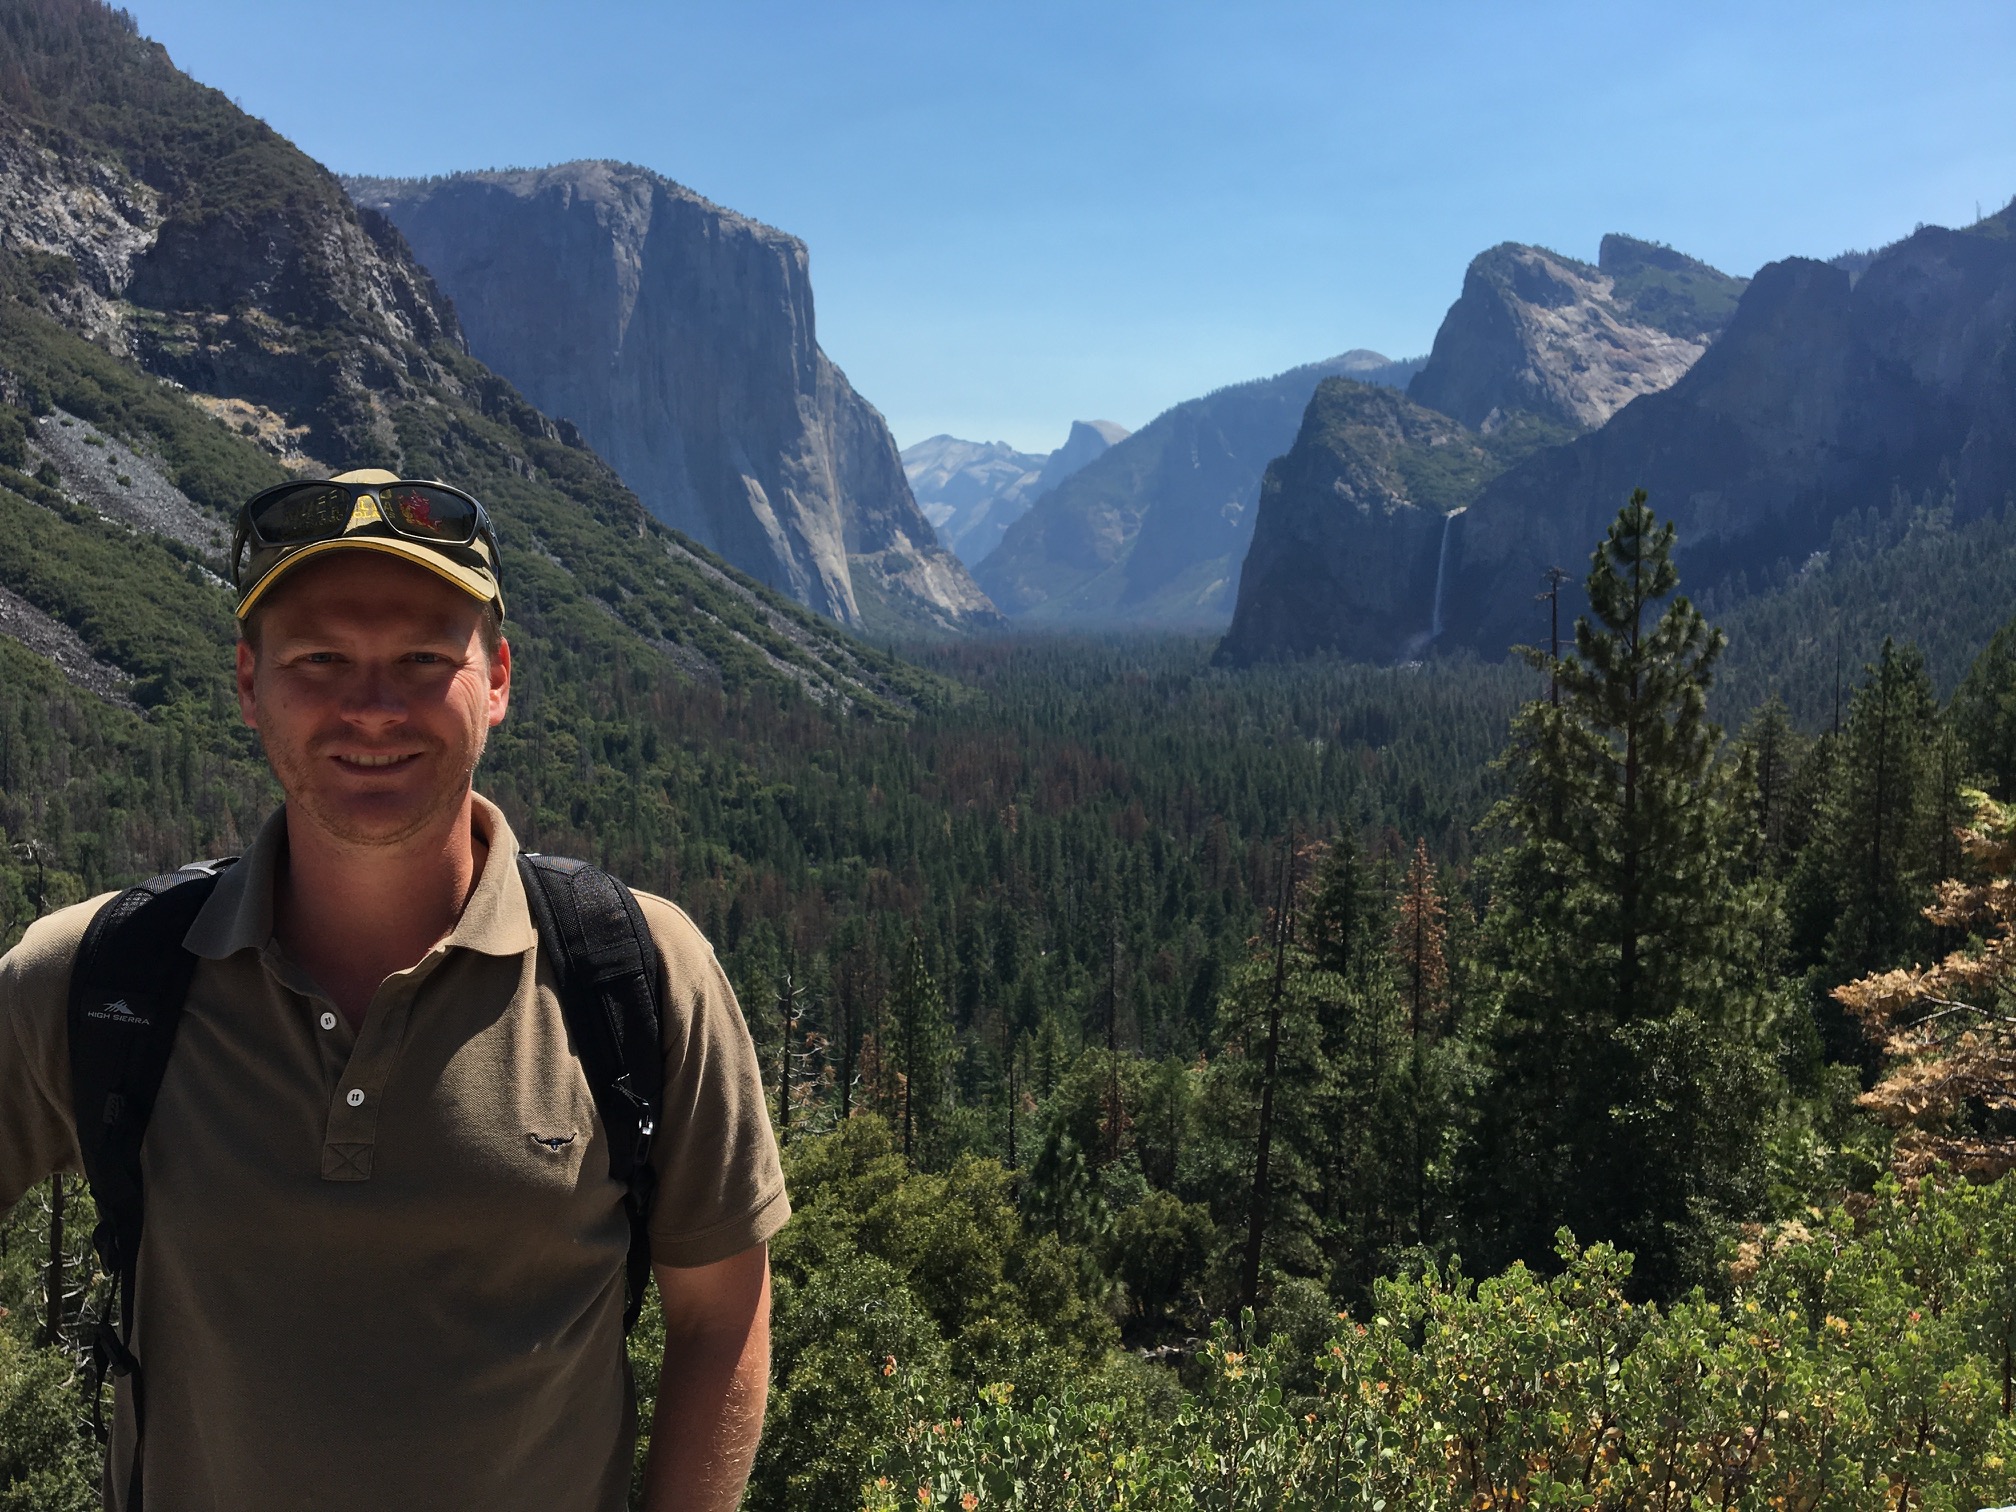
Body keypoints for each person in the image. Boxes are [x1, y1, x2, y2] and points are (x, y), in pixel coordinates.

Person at [0, 468, 789, 1510]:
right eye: (320, 658)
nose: (371, 707)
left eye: (423, 658)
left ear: (496, 679)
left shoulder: (640, 973)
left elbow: (722, 1314)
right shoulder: (95, 977)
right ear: (249, 682)